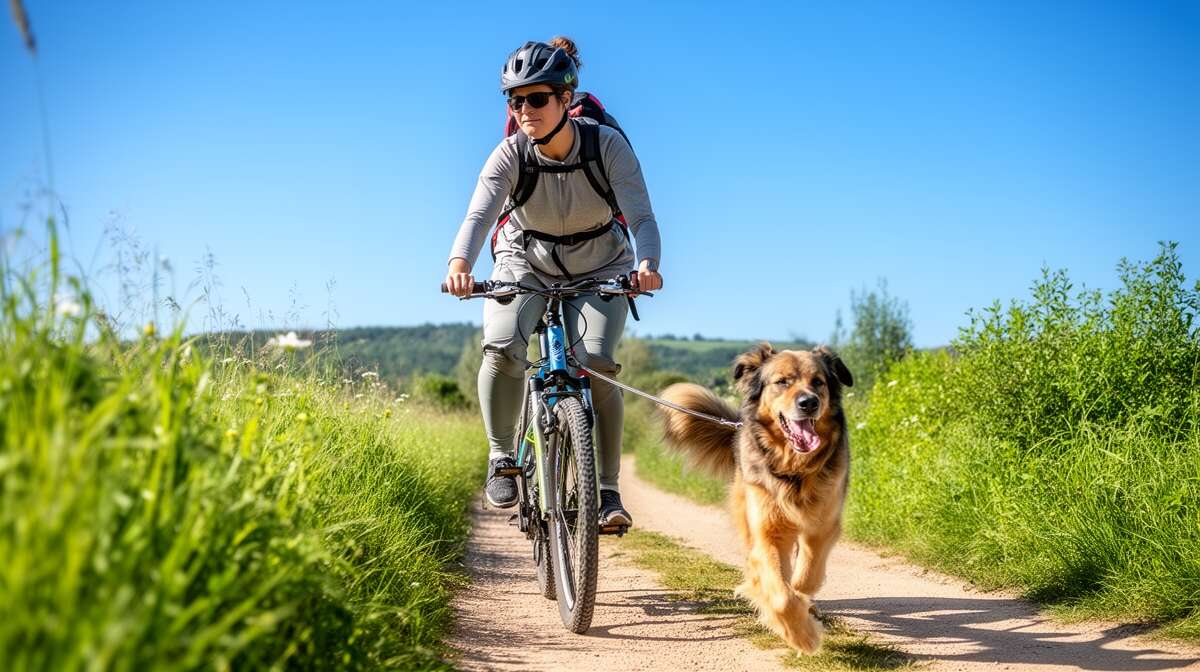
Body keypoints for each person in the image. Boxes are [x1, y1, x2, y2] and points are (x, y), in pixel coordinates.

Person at [445, 37, 663, 527]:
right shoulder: (509, 155)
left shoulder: (606, 147)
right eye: (515, 100)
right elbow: (479, 216)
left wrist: (647, 263)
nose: (525, 109)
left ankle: (607, 491)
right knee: (502, 346)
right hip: (525, 257)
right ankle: (502, 457)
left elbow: (642, 217)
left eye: (537, 98)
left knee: (598, 363)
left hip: (602, 261)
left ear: (566, 99)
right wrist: (460, 264)